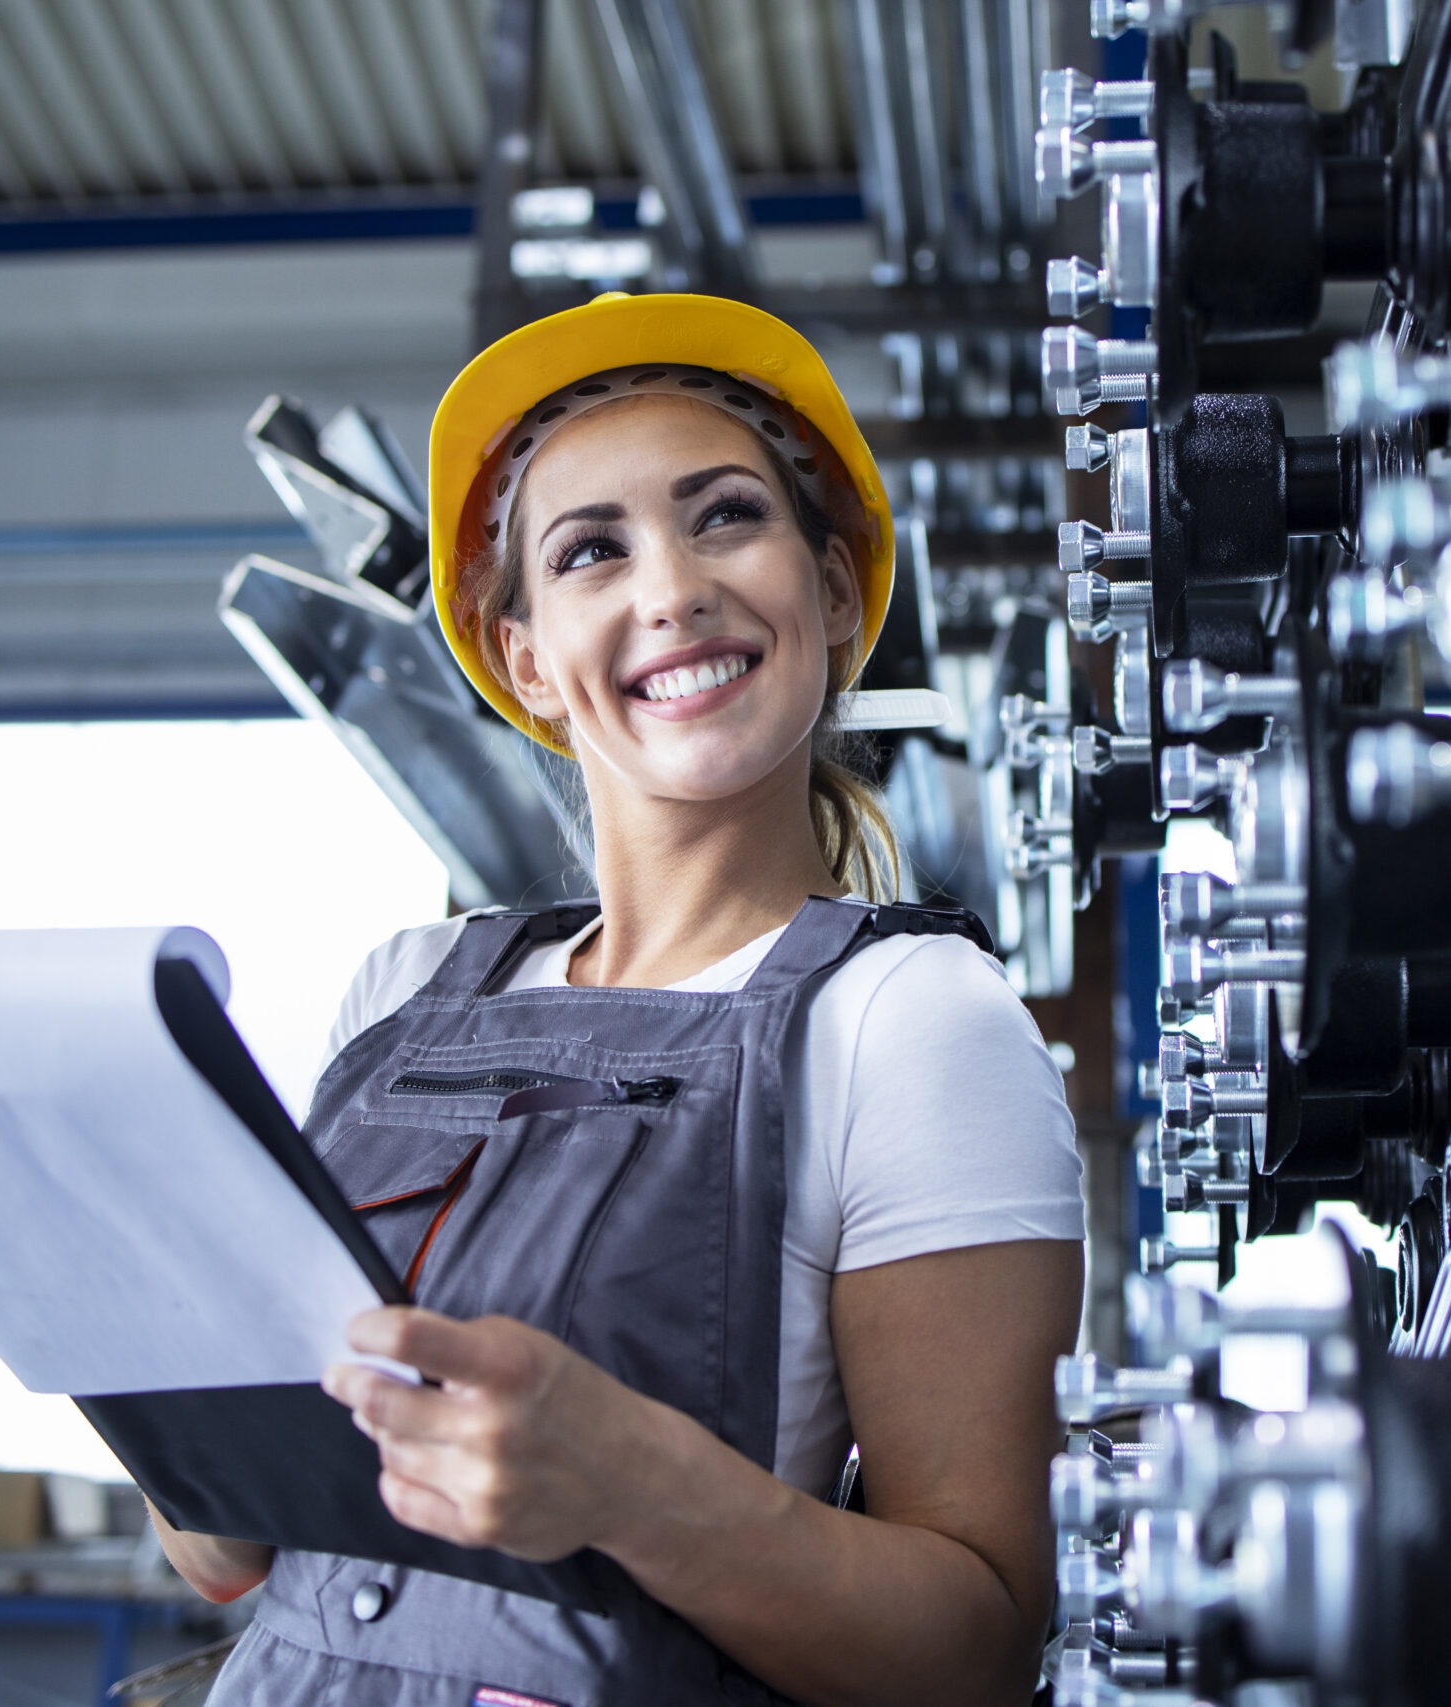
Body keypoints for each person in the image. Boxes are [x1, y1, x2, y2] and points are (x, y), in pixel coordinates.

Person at [153, 292, 1085, 1707]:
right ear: (526, 660)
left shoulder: (913, 1024)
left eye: (724, 518)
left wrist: (638, 1489)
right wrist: (149, 1367)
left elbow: (973, 1651)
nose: (672, 589)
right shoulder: (405, 990)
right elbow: (223, 1556)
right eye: (592, 551)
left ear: (833, 593)